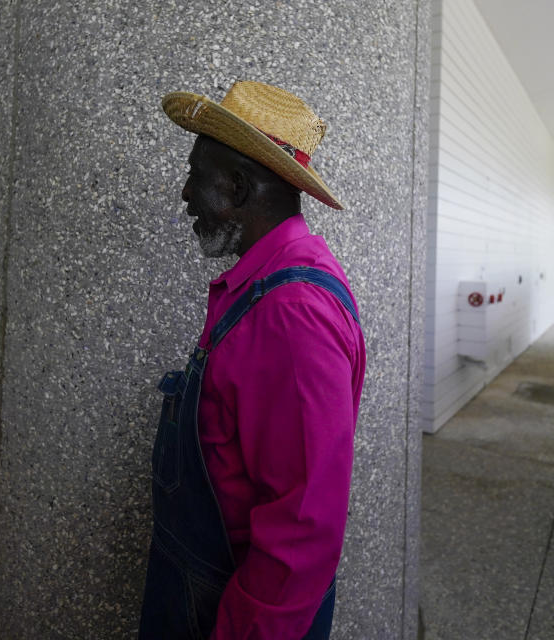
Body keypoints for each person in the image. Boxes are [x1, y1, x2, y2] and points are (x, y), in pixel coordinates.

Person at [139, 81, 366, 640]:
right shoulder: (261, 283)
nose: (185, 193)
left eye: (196, 175)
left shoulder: (291, 311)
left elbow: (302, 525)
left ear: (237, 187)